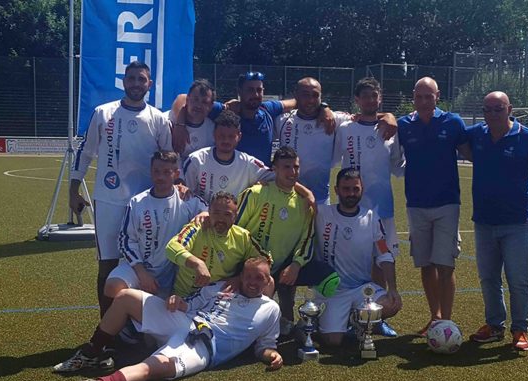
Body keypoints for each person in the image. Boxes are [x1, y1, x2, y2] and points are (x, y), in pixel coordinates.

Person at [54, 257, 283, 381]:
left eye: (259, 278)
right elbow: (190, 305)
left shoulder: (271, 309)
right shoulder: (222, 287)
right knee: (125, 297)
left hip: (204, 347)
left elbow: (265, 345)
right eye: (249, 276)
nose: (252, 282)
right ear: (241, 276)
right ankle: (91, 352)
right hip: (185, 322)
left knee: (154, 367)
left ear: (267, 281)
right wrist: (178, 302)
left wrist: (271, 355)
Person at [70, 61, 173, 317]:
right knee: (107, 265)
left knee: (146, 265)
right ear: (123, 81)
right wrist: (73, 190)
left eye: (142, 79)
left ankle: (137, 322)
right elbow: (85, 152)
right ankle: (107, 327)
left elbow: (169, 159)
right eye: (132, 78)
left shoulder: (159, 119)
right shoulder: (103, 113)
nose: (136, 84)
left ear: (150, 84)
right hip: (109, 201)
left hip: (146, 203)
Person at [467, 91, 528, 351]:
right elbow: (450, 134)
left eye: (499, 108)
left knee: (518, 279)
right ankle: (495, 326)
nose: (493, 114)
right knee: (488, 278)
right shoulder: (477, 134)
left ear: (510, 109)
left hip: (517, 222)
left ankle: (520, 329)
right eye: (488, 109)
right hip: (484, 221)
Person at [235, 147, 339, 334]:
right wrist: (254, 261)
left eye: (296, 167)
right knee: (253, 314)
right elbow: (236, 231)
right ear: (274, 169)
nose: (292, 172)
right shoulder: (256, 193)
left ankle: (308, 320)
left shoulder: (304, 203)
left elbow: (307, 239)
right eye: (286, 167)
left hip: (283, 266)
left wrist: (296, 265)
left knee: (328, 275)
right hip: (252, 265)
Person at [397, 77, 470, 336]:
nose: (424, 101)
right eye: (419, 96)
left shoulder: (453, 122)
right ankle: (435, 317)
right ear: (413, 97)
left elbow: (473, 153)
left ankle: (446, 322)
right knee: (426, 264)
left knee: (445, 265)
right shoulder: (403, 125)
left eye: (429, 96)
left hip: (447, 204)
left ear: (438, 96)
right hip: (416, 205)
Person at [313, 168, 402, 346]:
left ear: (362, 189)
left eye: (355, 189)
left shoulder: (371, 217)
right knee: (333, 342)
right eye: (346, 189)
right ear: (336, 190)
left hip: (362, 289)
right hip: (333, 291)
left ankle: (355, 321)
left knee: (392, 304)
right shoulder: (322, 214)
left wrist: (392, 288)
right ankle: (324, 322)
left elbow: (384, 255)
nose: (351, 194)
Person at [275, 77, 399, 205]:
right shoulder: (281, 120)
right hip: (286, 197)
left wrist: (388, 116)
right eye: (305, 95)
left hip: (320, 200)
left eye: (315, 95)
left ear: (321, 97)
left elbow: (364, 116)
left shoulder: (335, 120)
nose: (311, 100)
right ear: (296, 95)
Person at [334, 78, 404, 300]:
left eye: (374, 96)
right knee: (354, 257)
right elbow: (333, 158)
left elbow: (398, 164)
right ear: (357, 100)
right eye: (365, 96)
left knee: (383, 258)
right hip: (353, 206)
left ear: (380, 98)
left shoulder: (390, 129)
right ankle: (350, 305)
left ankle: (377, 307)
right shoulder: (345, 128)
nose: (370, 100)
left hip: (383, 206)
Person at [104, 151, 207, 301]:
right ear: (151, 172)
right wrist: (142, 273)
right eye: (156, 171)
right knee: (112, 287)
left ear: (176, 174)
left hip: (170, 274)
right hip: (139, 267)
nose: (160, 177)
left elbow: (211, 211)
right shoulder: (137, 202)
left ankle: (139, 310)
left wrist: (205, 214)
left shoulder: (187, 199)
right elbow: (125, 240)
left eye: (167, 172)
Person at [172, 71, 336, 166]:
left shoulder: (268, 109)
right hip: (232, 179)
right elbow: (182, 98)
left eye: (259, 90)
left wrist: (324, 107)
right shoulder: (227, 111)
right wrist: (180, 125)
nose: (255, 95)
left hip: (260, 184)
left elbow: (297, 101)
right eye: (250, 90)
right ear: (240, 92)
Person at [166, 191, 271, 297]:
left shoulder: (242, 237)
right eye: (216, 213)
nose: (221, 219)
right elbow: (171, 247)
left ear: (235, 216)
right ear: (209, 212)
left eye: (227, 214)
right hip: (185, 296)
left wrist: (239, 278)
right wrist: (197, 263)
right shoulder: (198, 226)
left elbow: (266, 261)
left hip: (217, 298)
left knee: (269, 281)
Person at [182, 110, 274, 202]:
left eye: (231, 136)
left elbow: (276, 177)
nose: (226, 140)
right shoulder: (196, 160)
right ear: (214, 134)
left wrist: (261, 186)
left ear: (239, 137)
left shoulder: (248, 163)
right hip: (201, 211)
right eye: (221, 136)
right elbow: (186, 196)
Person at [168, 79, 216, 162]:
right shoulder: (166, 122)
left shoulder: (213, 131)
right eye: (195, 99)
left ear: (211, 106)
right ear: (187, 100)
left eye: (204, 102)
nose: (198, 105)